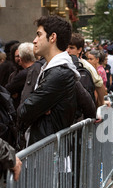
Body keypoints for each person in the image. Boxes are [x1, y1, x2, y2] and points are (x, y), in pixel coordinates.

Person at [17, 15, 79, 146]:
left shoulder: (59, 73)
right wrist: (39, 106)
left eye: (39, 35)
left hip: (49, 152)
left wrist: (35, 105)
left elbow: (24, 111)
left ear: (52, 37)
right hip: (46, 147)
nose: (34, 40)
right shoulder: (54, 69)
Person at [67, 34, 106, 107]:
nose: (67, 51)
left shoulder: (86, 66)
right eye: (66, 47)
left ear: (79, 50)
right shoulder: (58, 63)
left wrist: (102, 104)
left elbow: (99, 85)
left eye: (71, 48)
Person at [5, 42, 36, 110]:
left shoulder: (25, 73)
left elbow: (7, 90)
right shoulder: (38, 68)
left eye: (19, 56)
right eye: (16, 56)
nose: (18, 58)